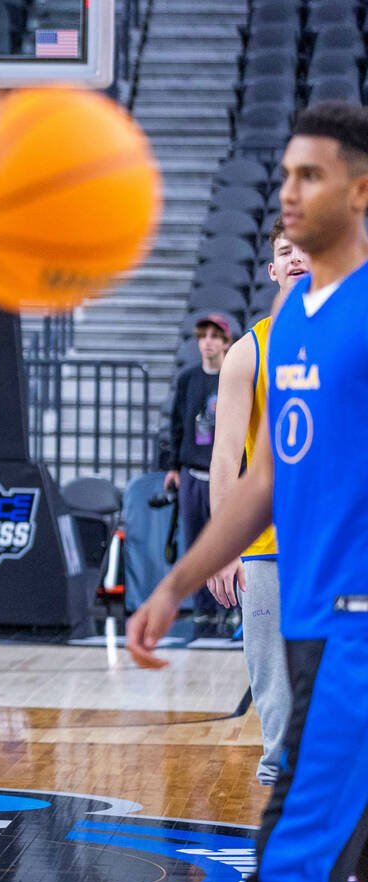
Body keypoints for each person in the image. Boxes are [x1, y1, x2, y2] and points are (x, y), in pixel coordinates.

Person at [128, 101, 368, 882]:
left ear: (361, 191)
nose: (290, 194)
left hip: (356, 624)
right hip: (304, 610)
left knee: (291, 861)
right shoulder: (287, 332)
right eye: (286, 176)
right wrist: (176, 581)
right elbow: (263, 476)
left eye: (312, 175)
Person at [204, 217, 308, 787]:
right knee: (275, 685)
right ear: (272, 270)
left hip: (341, 544)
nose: (296, 258)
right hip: (268, 547)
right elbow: (224, 461)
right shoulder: (248, 351)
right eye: (285, 252)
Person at [164, 311, 234, 638]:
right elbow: (177, 425)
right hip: (192, 474)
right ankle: (203, 611)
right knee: (195, 546)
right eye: (202, 336)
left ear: (225, 341)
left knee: (228, 544)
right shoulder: (188, 379)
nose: (207, 342)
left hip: (226, 476)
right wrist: (173, 467)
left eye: (214, 336)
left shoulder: (234, 376)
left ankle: (231, 609)